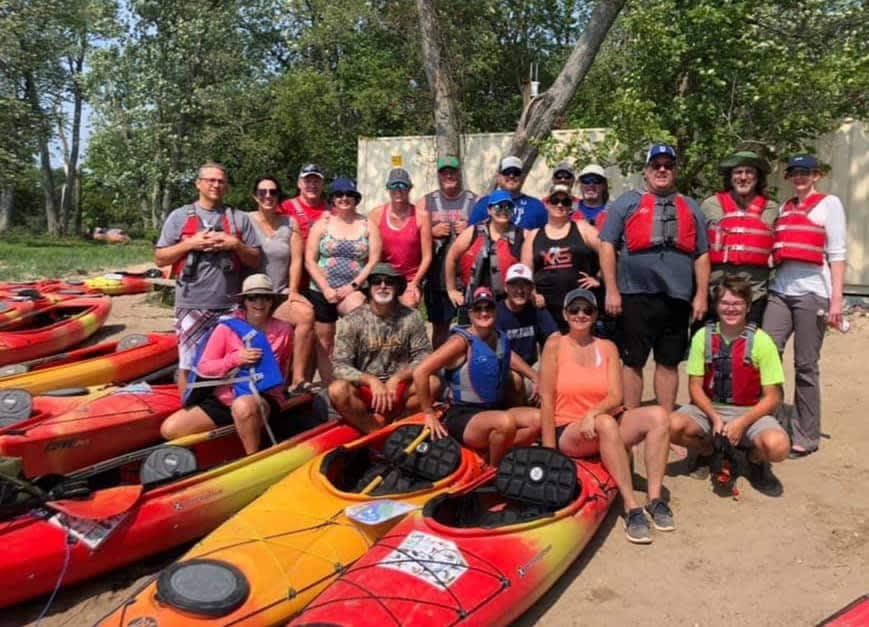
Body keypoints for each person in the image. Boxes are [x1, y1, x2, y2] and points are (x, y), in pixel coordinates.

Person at [538, 288, 673, 544]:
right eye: (574, 309)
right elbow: (546, 399)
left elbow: (615, 396)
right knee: (605, 422)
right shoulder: (555, 345)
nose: (581, 314)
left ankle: (654, 499)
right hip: (569, 429)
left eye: (587, 310)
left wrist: (593, 412)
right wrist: (548, 451)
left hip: (602, 421)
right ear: (565, 315)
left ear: (595, 314)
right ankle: (631, 506)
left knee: (658, 415)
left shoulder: (607, 347)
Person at [599, 144, 710, 412]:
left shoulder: (691, 206)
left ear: (675, 171)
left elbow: (702, 255)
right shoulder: (626, 203)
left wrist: (701, 295)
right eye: (656, 165)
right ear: (646, 171)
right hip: (634, 293)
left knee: (668, 360)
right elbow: (606, 246)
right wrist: (611, 290)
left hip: (677, 296)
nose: (662, 170)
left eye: (668, 166)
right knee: (633, 360)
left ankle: (665, 417)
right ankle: (632, 418)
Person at [670, 276, 789, 495]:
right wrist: (714, 418)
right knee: (668, 425)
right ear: (716, 306)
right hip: (709, 409)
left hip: (748, 411)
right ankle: (706, 451)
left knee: (778, 446)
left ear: (748, 306)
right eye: (725, 303)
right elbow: (695, 387)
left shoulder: (762, 341)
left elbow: (773, 396)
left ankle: (752, 459)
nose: (730, 309)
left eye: (737, 304)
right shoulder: (702, 337)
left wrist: (742, 422)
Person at [762, 154, 847, 458]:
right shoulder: (785, 208)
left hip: (814, 294)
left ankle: (807, 434)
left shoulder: (830, 204)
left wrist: (837, 301)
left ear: (816, 176)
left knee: (806, 365)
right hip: (781, 291)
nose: (799, 177)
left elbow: (837, 253)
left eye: (805, 172)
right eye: (794, 173)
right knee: (767, 354)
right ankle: (773, 422)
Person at [155, 162, 261, 397]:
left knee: (231, 362)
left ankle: (223, 408)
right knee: (187, 363)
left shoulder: (239, 219)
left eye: (221, 181)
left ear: (227, 186)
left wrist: (235, 244)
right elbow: (160, 258)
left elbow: (254, 259)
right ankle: (187, 408)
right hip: (191, 304)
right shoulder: (179, 216)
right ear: (198, 184)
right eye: (210, 180)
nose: (216, 185)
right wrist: (191, 244)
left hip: (230, 305)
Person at [160, 274, 292, 455]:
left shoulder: (283, 330)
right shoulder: (226, 328)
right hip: (225, 398)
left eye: (266, 297)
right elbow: (205, 367)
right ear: (244, 301)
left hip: (262, 396)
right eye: (253, 297)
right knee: (171, 429)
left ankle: (252, 455)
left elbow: (284, 368)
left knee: (243, 407)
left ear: (272, 301)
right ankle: (232, 436)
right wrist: (236, 359)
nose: (259, 303)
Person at [413, 287, 541, 466]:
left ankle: (492, 453)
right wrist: (428, 413)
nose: (484, 313)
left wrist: (535, 376)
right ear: (470, 313)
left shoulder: (498, 336)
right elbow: (421, 371)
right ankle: (493, 470)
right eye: (478, 309)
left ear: (495, 310)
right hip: (463, 414)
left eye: (488, 308)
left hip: (494, 409)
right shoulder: (460, 342)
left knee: (539, 420)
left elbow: (508, 356)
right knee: (505, 423)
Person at [327, 263, 433, 433]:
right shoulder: (351, 321)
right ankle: (375, 430)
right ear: (369, 287)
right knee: (336, 390)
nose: (383, 286)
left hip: (401, 388)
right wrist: (371, 380)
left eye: (389, 282)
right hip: (365, 389)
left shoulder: (412, 317)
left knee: (432, 383)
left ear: (397, 287)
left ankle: (400, 423)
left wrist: (398, 378)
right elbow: (339, 365)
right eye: (377, 281)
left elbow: (425, 356)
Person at [305, 177, 381, 384]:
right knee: (324, 340)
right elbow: (310, 260)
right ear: (332, 198)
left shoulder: (367, 224)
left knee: (361, 328)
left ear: (356, 198)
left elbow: (373, 260)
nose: (344, 198)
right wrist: (326, 288)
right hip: (322, 289)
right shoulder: (322, 224)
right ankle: (329, 385)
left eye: (349, 195)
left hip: (353, 287)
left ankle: (359, 378)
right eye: (339, 195)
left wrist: (354, 285)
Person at [247, 176, 314, 391]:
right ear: (254, 196)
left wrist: (293, 291)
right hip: (252, 296)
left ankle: (298, 379)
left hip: (280, 293)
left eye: (273, 192)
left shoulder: (289, 223)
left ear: (279, 196)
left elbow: (296, 261)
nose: (268, 196)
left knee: (306, 314)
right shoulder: (244, 220)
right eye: (262, 192)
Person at [701, 151, 777, 324]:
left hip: (755, 295)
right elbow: (698, 251)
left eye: (749, 172)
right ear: (730, 176)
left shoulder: (772, 209)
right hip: (715, 293)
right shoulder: (709, 205)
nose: (743, 177)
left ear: (758, 177)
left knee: (748, 348)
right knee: (706, 346)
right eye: (738, 172)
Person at [522, 183, 601, 333]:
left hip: (579, 308)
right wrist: (533, 294)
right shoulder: (533, 235)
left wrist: (599, 278)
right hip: (545, 308)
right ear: (546, 203)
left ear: (571, 205)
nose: (560, 205)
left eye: (565, 201)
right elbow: (525, 272)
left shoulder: (582, 228)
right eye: (555, 201)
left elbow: (608, 250)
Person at [418, 155, 477, 348]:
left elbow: (488, 232)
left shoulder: (475, 201)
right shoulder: (426, 202)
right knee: (440, 328)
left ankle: (467, 372)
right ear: (439, 175)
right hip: (438, 278)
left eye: (452, 171)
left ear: (460, 173)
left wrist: (470, 227)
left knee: (471, 328)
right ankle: (439, 371)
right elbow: (413, 236)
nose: (449, 175)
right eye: (444, 172)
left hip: (468, 278)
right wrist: (431, 231)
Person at [444, 190, 524, 320]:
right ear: (489, 210)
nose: (503, 210)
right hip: (473, 302)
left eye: (508, 206)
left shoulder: (521, 235)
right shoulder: (474, 232)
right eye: (498, 206)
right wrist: (451, 289)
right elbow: (451, 257)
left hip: (505, 304)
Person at [367, 168, 432, 308]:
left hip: (409, 277)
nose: (398, 190)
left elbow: (427, 256)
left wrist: (414, 283)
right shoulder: (376, 214)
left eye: (403, 186)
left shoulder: (422, 216)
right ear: (388, 189)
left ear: (409, 189)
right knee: (377, 308)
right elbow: (372, 253)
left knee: (408, 305)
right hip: (384, 276)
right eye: (393, 186)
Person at [496, 263, 558, 403]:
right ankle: (519, 413)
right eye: (514, 285)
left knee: (558, 365)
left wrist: (545, 368)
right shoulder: (497, 313)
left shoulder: (536, 308)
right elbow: (505, 353)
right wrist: (535, 377)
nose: (520, 290)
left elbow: (555, 338)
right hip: (506, 368)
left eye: (525, 285)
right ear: (506, 287)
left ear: (531, 288)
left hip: (532, 366)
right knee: (516, 380)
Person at [467, 156, 547, 229]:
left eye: (516, 172)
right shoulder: (485, 203)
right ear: (498, 177)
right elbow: (471, 233)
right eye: (507, 172)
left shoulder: (537, 206)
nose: (511, 176)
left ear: (522, 177)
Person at [278, 163, 329, 242]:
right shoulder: (286, 207)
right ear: (299, 184)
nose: (312, 185)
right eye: (307, 181)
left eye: (316, 181)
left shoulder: (331, 210)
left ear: (322, 184)